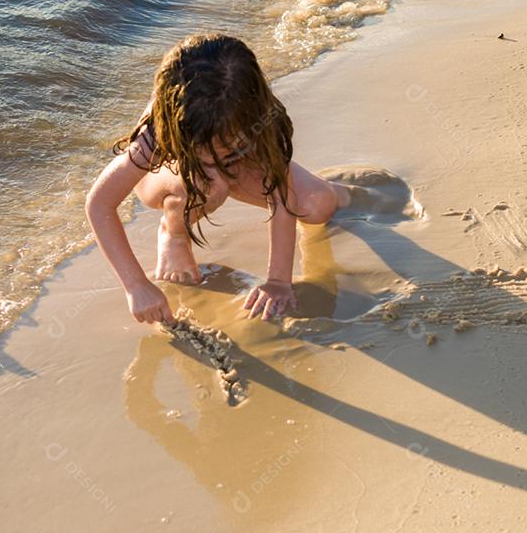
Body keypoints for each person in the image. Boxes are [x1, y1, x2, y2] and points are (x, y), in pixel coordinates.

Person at [84, 33, 353, 324]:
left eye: (228, 149)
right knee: (209, 180)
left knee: (318, 205)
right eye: (201, 153)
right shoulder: (159, 133)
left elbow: (281, 194)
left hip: (241, 165)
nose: (211, 161)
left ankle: (343, 190)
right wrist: (136, 286)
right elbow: (99, 204)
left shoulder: (260, 117)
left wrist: (278, 282)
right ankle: (173, 234)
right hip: (163, 178)